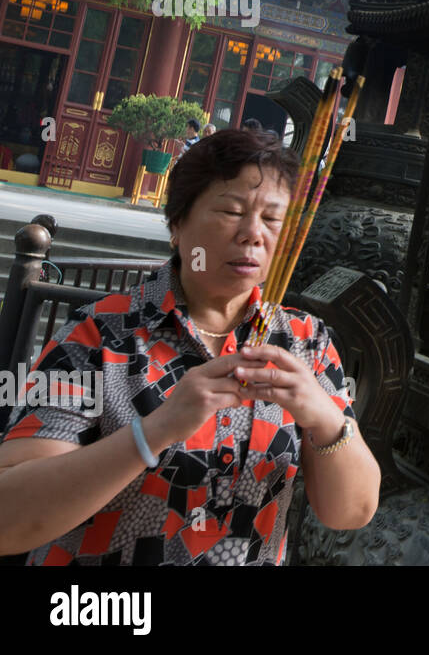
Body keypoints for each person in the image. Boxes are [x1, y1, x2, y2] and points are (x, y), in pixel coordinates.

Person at [0, 128, 380, 564]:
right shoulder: (99, 334)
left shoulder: (304, 342)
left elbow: (351, 512)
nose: (253, 234)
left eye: (273, 219)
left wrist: (323, 417)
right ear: (177, 224)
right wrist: (156, 430)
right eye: (230, 211)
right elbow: (8, 521)